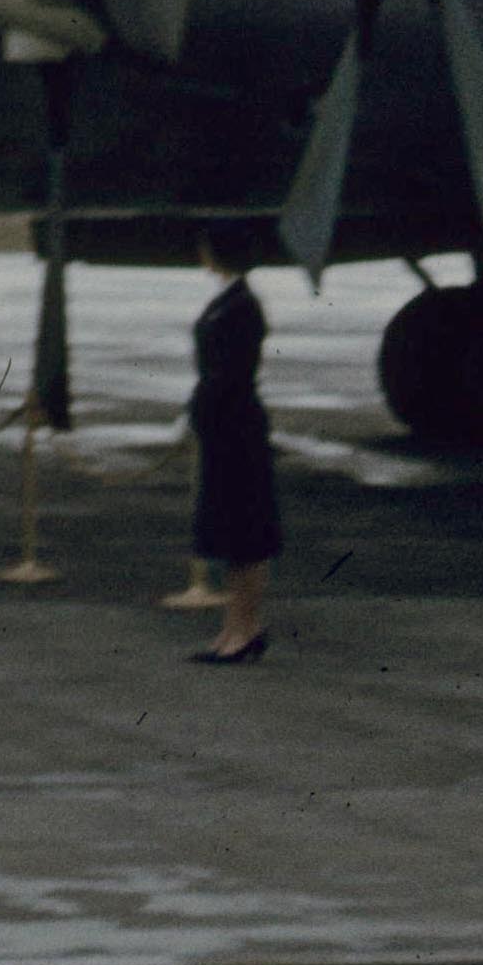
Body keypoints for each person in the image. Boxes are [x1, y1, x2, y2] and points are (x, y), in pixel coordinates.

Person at [184, 228, 282, 663]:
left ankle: (245, 629)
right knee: (231, 530)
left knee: (246, 532)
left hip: (237, 425)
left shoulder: (242, 305)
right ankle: (234, 628)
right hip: (225, 425)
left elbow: (232, 368)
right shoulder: (233, 299)